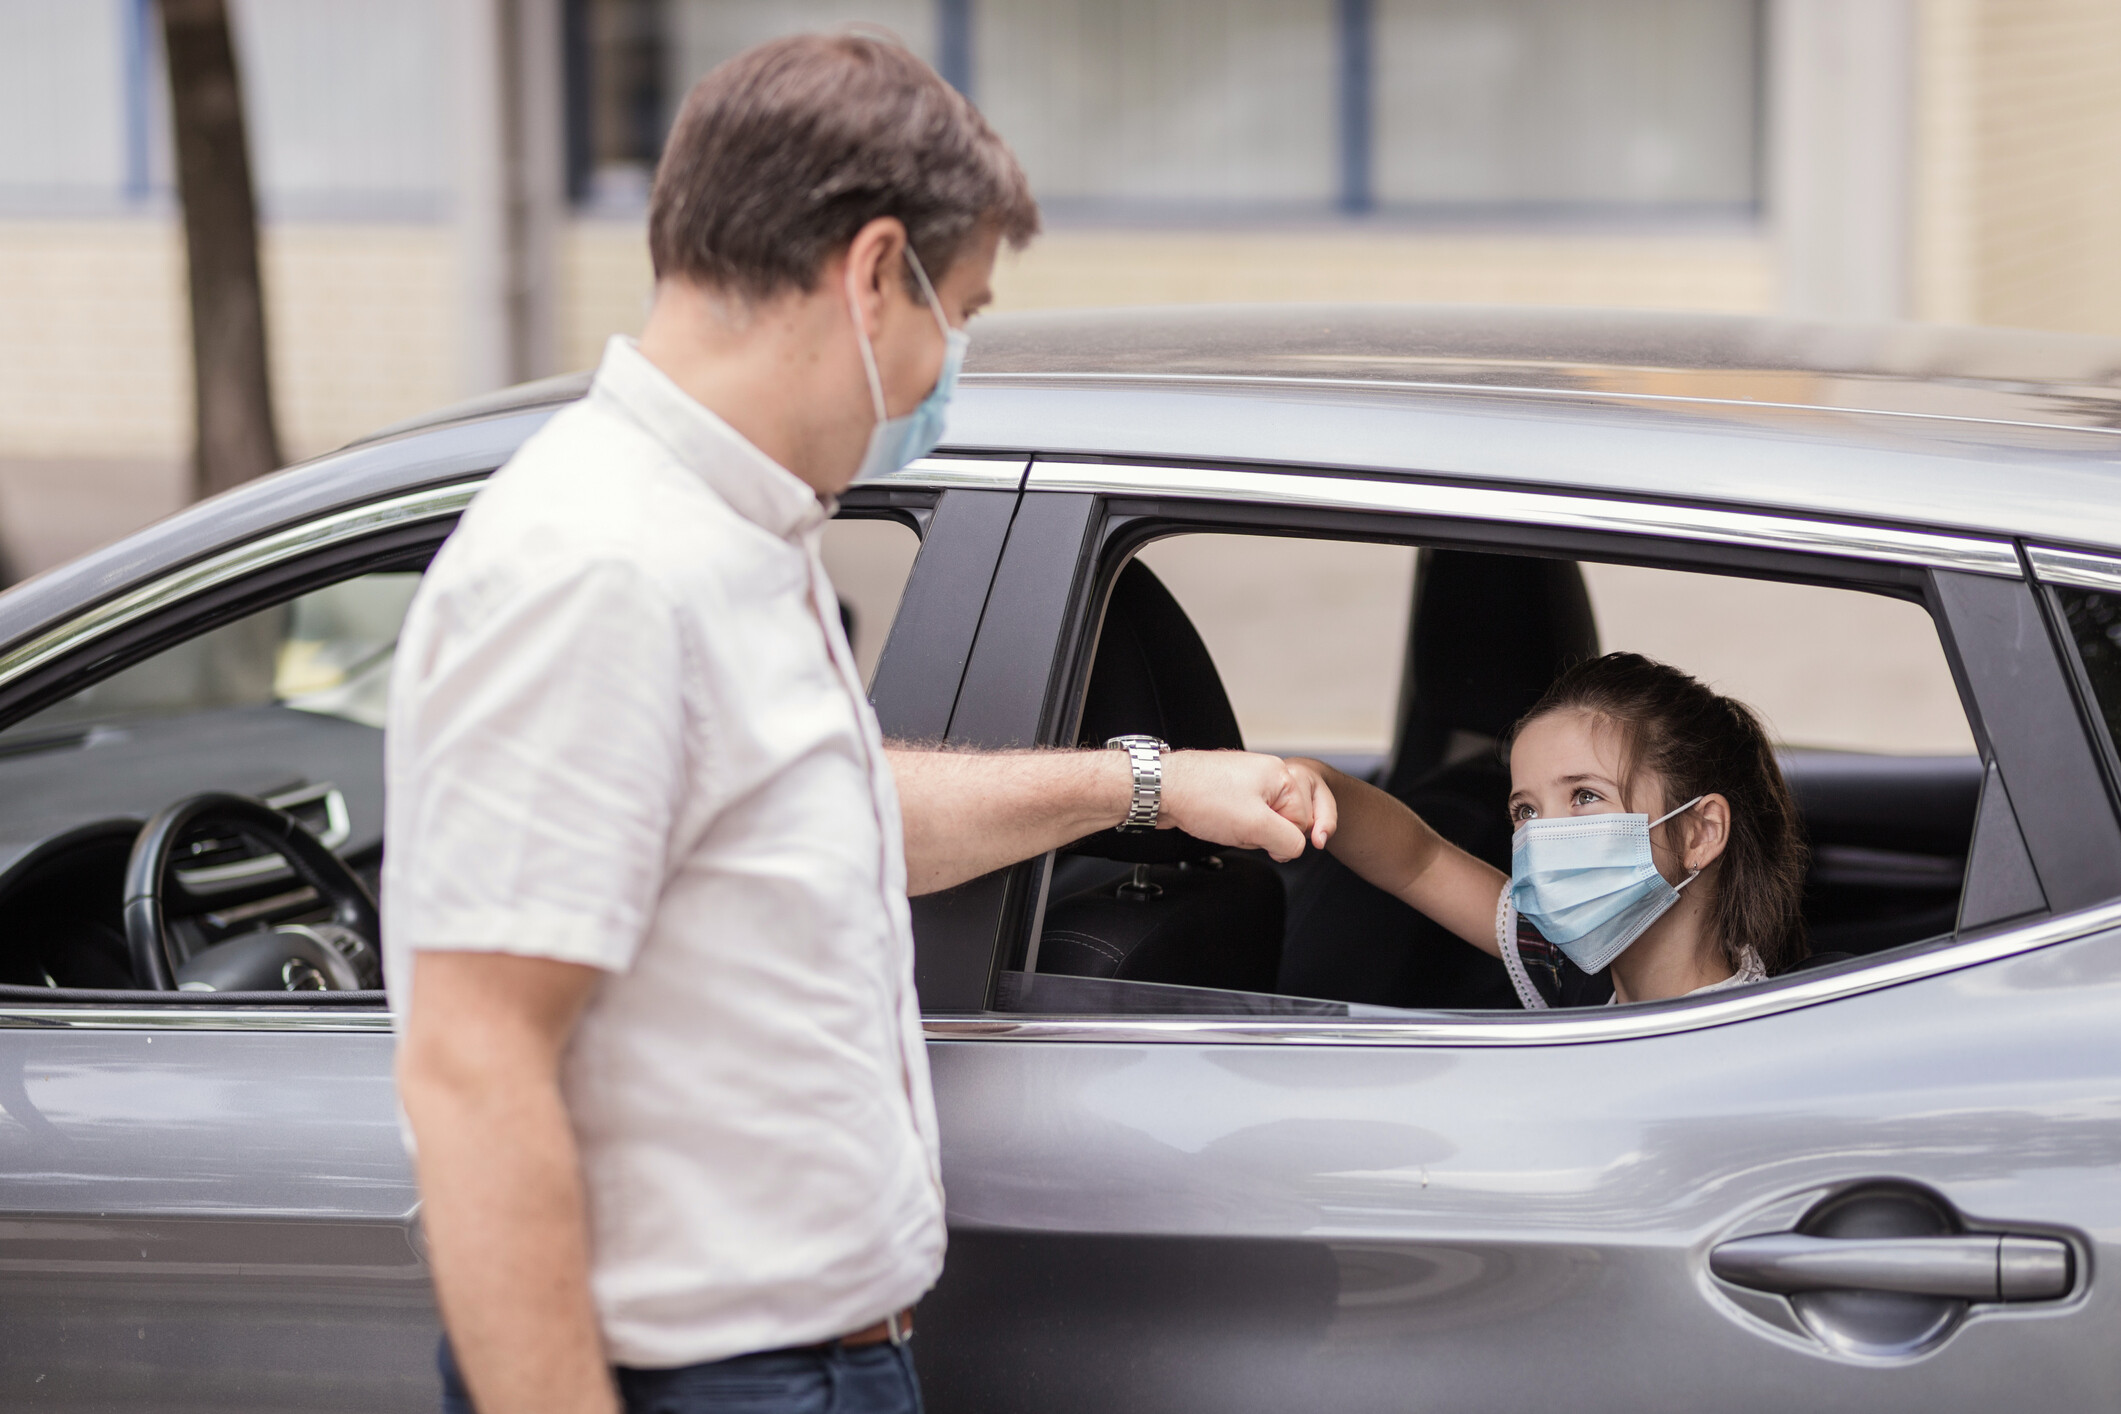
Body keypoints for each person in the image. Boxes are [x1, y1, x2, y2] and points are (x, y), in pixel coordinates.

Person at [387, 32, 1330, 1414]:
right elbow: (475, 1062)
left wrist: (1152, 785)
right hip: (706, 1378)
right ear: (873, 274)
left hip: (797, 1364)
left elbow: (833, 816)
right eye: (961, 309)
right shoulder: (595, 570)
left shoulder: (724, 536)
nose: (954, 364)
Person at [1288, 652, 1809, 1008]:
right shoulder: (1570, 973)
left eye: (1585, 796)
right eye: (1526, 812)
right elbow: (1419, 862)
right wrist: (1313, 783)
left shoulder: (1751, 1031)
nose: (1544, 838)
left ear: (1699, 832)